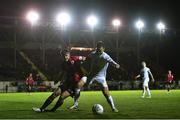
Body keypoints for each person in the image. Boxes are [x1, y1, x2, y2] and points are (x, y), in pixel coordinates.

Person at [86, 41, 120, 112]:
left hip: (101, 77)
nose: (99, 51)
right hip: (91, 75)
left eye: (100, 49)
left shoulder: (106, 56)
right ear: (96, 48)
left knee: (106, 93)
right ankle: (75, 104)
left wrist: (116, 65)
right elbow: (87, 59)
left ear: (104, 49)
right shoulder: (92, 54)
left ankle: (113, 108)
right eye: (98, 49)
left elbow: (112, 62)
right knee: (79, 86)